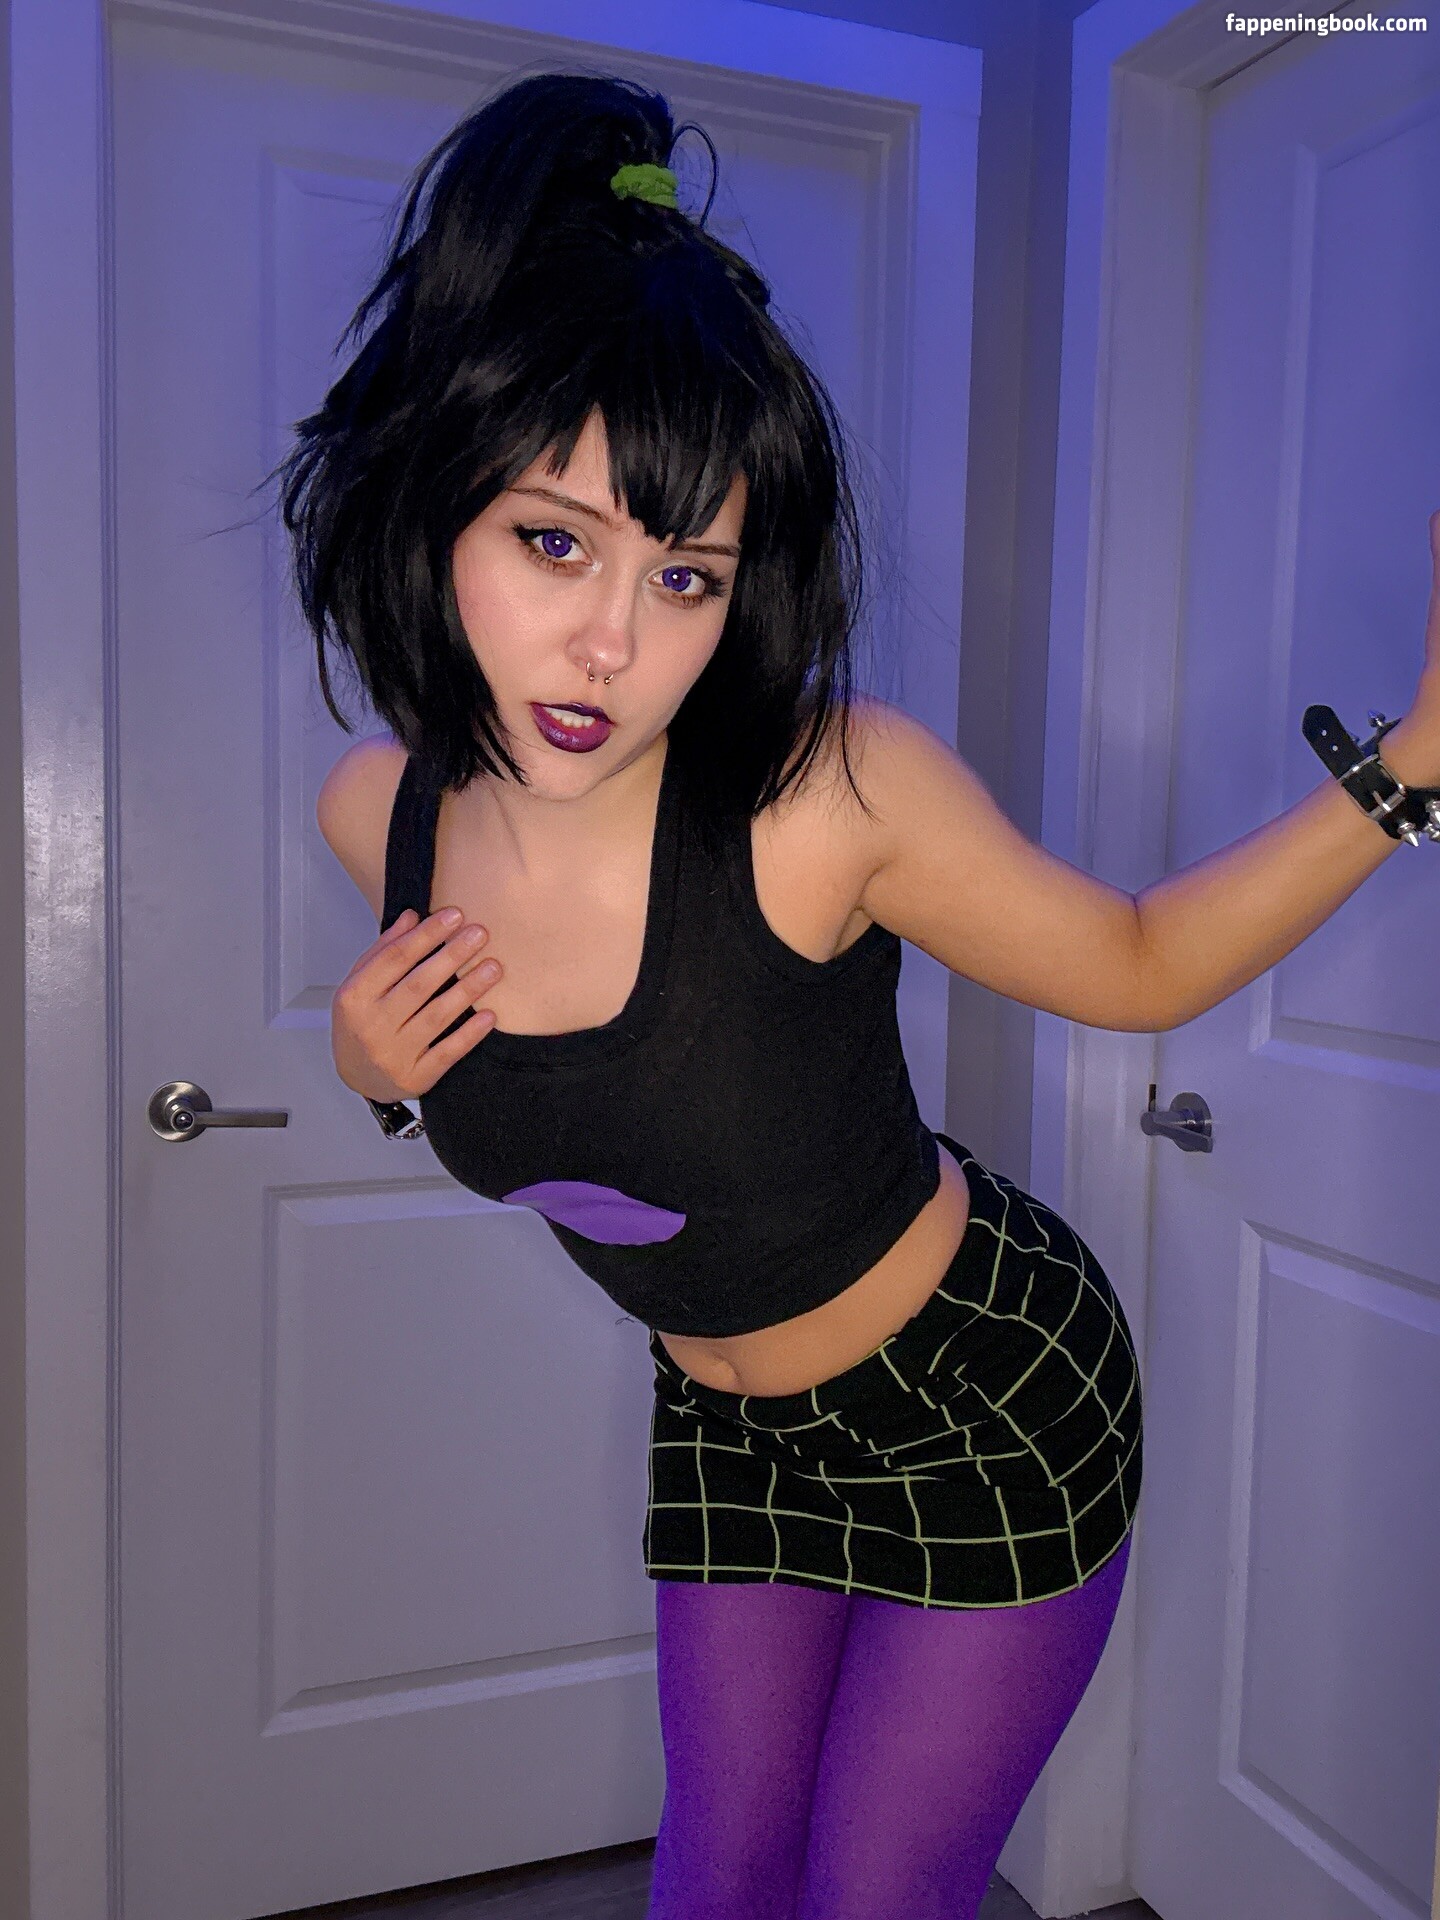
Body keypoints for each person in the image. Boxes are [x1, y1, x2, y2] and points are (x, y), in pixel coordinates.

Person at [272, 66, 1440, 1920]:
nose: (610, 643)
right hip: (722, 1421)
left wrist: (1416, 763)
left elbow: (1140, 963)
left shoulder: (823, 794)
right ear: (434, 511)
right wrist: (369, 1068)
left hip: (984, 1394)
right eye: (553, 541)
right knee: (714, 1889)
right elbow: (511, 1085)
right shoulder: (378, 815)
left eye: (685, 576)